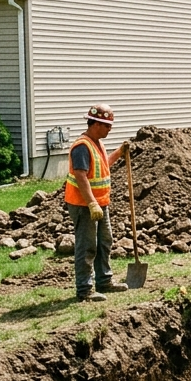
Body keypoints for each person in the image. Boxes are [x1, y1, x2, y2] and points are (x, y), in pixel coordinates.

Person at [64, 104, 130, 302]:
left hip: (100, 203)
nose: (110, 129)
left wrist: (119, 152)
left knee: (104, 241)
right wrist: (92, 203)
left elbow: (102, 167)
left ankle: (104, 281)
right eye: (107, 126)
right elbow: (81, 176)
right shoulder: (82, 147)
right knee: (87, 246)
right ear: (96, 124)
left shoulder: (97, 143)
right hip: (84, 205)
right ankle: (84, 289)